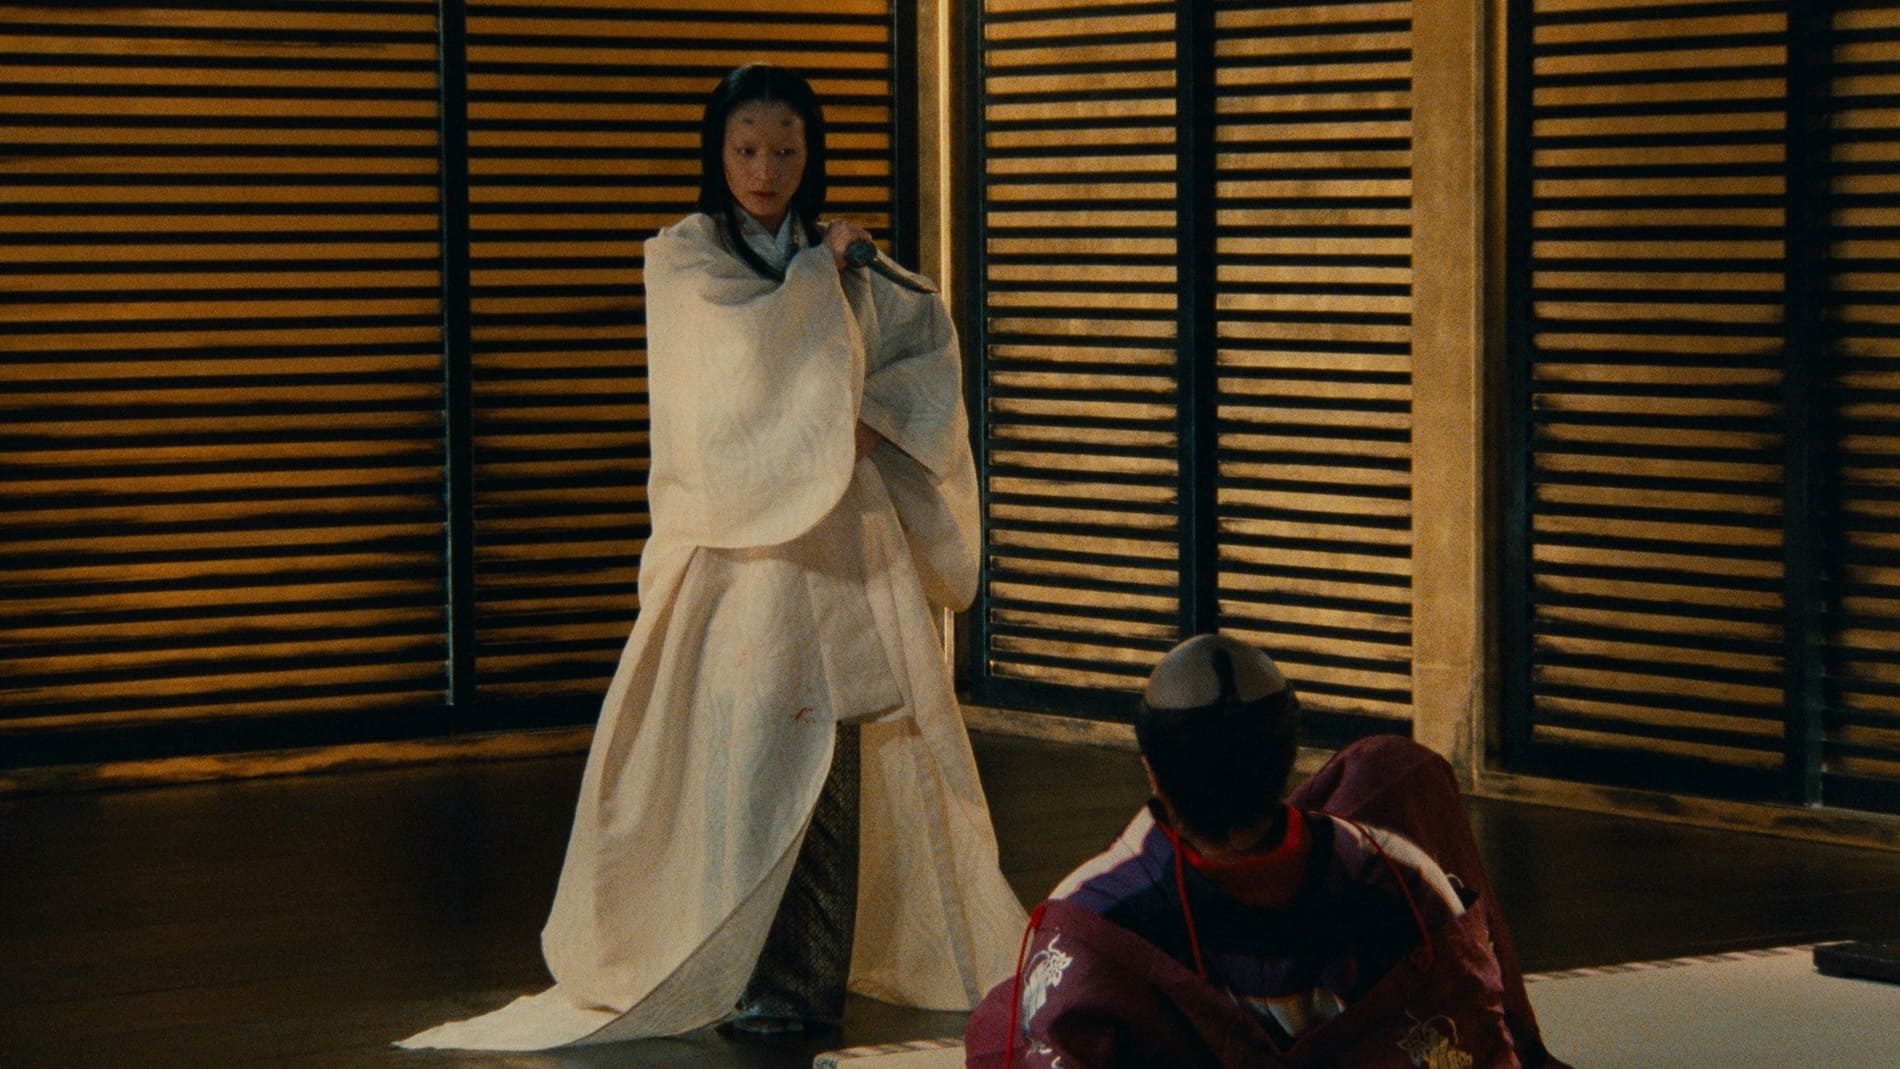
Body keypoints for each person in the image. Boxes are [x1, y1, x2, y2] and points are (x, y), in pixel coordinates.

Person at [400, 62, 1026, 1051]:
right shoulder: (687, 258)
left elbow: (926, 344)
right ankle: (746, 977)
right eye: (747, 149)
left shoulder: (839, 255)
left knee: (832, 765)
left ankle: (807, 986)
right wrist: (824, 278)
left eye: (785, 149)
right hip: (741, 558)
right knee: (751, 763)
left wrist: (867, 418)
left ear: (811, 153)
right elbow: (742, 374)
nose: (765, 169)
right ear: (718, 152)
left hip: (843, 545)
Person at [965, 634, 1565, 1068]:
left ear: (1152, 771)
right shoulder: (1398, 876)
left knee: (1001, 1018)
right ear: (1289, 757)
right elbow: (1478, 1037)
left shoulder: (1093, 916)